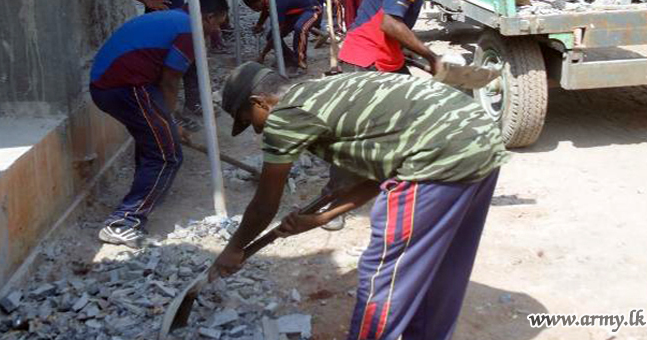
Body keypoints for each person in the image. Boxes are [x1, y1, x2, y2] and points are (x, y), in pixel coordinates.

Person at [211, 62, 508, 340]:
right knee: (442, 265)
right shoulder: (326, 90)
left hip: (439, 156)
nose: (258, 130)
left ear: (260, 102)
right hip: (480, 138)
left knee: (384, 274)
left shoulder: (286, 115)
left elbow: (264, 205)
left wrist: (233, 249)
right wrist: (323, 217)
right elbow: (383, 173)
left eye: (250, 121)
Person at [89, 0, 229, 248]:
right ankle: (122, 222)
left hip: (114, 84)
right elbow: (170, 81)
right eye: (218, 24)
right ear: (208, 17)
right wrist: (171, 122)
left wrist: (167, 123)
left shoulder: (174, 17)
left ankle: (139, 197)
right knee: (167, 155)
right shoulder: (189, 30)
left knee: (153, 143)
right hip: (124, 87)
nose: (216, 31)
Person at [243, 0, 322, 73]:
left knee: (300, 28)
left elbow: (277, 33)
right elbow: (266, 9)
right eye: (252, 8)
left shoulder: (277, 1)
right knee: (270, 36)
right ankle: (290, 58)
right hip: (293, 13)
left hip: (311, 9)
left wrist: (263, 54)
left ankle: (300, 63)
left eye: (256, 6)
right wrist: (259, 24)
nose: (255, 10)